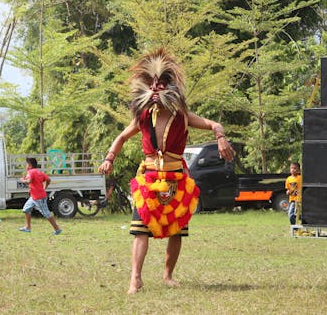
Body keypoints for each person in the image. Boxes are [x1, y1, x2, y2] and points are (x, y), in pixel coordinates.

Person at [98, 48, 235, 294]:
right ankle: (135, 279)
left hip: (177, 179)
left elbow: (214, 124)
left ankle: (168, 275)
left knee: (176, 230)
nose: (156, 89)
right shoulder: (142, 117)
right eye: (152, 85)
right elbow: (120, 137)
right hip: (149, 179)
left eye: (161, 84)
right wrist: (109, 158)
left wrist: (221, 137)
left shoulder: (183, 116)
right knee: (140, 231)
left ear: (170, 88)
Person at [19, 157, 62, 235]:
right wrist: (44, 187)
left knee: (46, 213)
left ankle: (57, 229)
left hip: (38, 197)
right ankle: (28, 227)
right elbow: (48, 180)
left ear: (30, 165)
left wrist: (23, 180)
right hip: (34, 197)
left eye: (26, 164)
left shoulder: (30, 172)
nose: (26, 166)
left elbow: (29, 181)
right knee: (26, 209)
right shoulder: (39, 172)